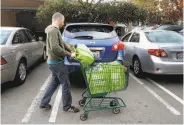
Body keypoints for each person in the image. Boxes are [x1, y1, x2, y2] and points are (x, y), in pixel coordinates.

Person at [39, 12, 79, 113]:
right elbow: (55, 48)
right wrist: (70, 54)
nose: (63, 23)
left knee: (54, 82)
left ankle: (44, 103)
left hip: (53, 62)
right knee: (66, 84)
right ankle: (67, 107)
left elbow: (60, 43)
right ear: (59, 20)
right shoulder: (53, 31)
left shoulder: (55, 30)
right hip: (57, 63)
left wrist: (69, 47)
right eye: (63, 21)